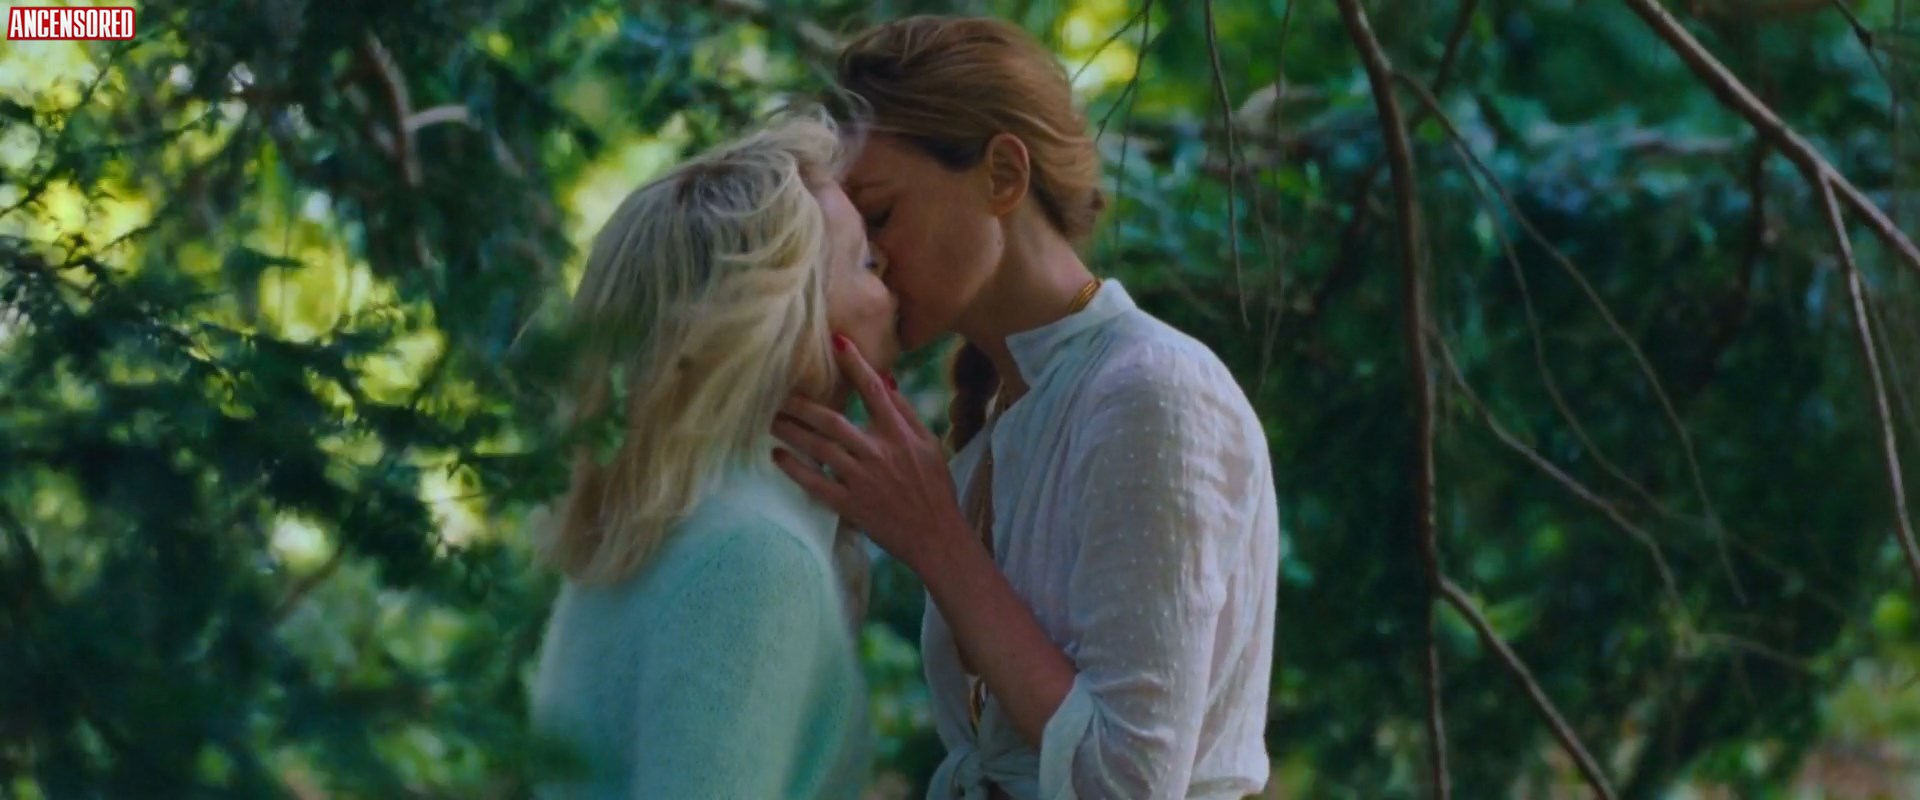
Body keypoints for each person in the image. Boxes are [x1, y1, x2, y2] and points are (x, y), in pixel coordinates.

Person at [771, 15, 1281, 800]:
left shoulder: (1154, 390)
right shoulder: (1000, 425)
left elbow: (1131, 784)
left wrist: (937, 540)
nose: (867, 255)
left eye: (880, 215)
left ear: (1003, 175)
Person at [526, 112, 894, 799]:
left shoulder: (659, 527)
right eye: (867, 264)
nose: (891, 286)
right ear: (791, 319)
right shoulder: (752, 557)